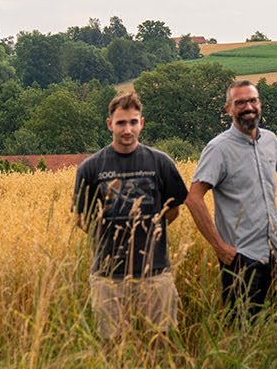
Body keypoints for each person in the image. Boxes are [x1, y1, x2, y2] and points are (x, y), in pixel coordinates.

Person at [185, 79, 277, 320]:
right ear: (228, 109)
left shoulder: (270, 140)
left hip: (273, 254)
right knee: (242, 331)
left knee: (269, 328)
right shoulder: (218, 149)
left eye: (252, 101)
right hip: (240, 259)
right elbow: (194, 198)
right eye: (240, 103)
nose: (248, 107)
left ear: (259, 104)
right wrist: (220, 247)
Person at [72, 91, 189, 339]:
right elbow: (82, 219)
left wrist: (147, 230)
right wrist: (108, 234)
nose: (128, 130)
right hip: (108, 276)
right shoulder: (91, 167)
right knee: (111, 345)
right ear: (109, 124)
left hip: (155, 272)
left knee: (160, 342)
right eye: (121, 123)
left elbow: (173, 210)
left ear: (142, 123)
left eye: (133, 122)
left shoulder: (161, 163)